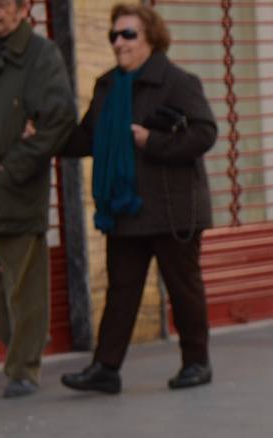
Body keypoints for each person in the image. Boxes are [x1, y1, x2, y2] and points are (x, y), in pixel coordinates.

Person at [56, 4, 215, 396]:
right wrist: (46, 136)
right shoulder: (108, 85)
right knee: (121, 290)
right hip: (125, 208)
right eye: (114, 35)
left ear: (151, 38)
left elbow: (204, 133)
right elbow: (88, 137)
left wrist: (153, 142)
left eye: (128, 34)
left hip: (173, 207)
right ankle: (105, 368)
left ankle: (196, 362)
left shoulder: (178, 82)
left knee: (183, 288)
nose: (118, 43)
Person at [0, 0, 73, 399]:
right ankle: (21, 349)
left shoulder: (41, 55)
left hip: (16, 189)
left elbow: (58, 118)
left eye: (2, 3)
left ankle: (24, 367)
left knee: (24, 285)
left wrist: (13, 169)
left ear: (24, 8)